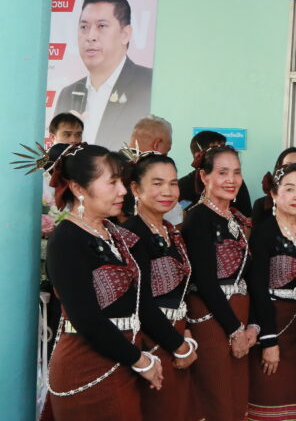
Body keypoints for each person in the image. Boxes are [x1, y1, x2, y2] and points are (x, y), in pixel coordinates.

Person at [40, 144, 182, 420]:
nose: (122, 191)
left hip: (123, 359)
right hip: (87, 366)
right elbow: (87, 319)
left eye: (121, 181)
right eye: (112, 182)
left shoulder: (113, 233)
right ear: (78, 188)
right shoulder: (66, 239)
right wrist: (140, 360)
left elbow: (138, 301)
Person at [180, 145, 257, 421]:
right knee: (216, 397)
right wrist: (235, 330)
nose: (231, 180)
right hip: (213, 319)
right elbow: (206, 282)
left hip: (238, 316)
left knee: (236, 397)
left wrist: (252, 326)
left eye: (236, 172)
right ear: (204, 176)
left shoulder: (234, 216)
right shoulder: (198, 217)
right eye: (222, 172)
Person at [123, 151, 198, 421]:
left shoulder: (171, 230)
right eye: (157, 183)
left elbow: (182, 289)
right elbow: (141, 302)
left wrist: (185, 332)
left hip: (178, 335)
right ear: (135, 189)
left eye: (173, 183)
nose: (167, 191)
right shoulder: (131, 234)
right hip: (151, 341)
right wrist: (179, 346)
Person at [248, 163, 296, 421]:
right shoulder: (264, 232)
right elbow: (257, 289)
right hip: (275, 323)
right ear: (274, 194)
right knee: (271, 396)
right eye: (289, 189)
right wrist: (269, 340)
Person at [53, 0, 153, 148]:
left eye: (101, 26)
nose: (90, 36)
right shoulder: (68, 93)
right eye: (84, 27)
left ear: (125, 34)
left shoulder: (149, 84)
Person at [123, 115, 183, 225]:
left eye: (173, 183)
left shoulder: (110, 165)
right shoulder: (144, 169)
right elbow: (174, 219)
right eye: (157, 183)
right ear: (157, 144)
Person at [178, 130, 253, 217]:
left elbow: (247, 215)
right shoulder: (183, 186)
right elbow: (177, 220)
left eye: (224, 149)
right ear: (198, 156)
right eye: (216, 151)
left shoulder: (235, 182)